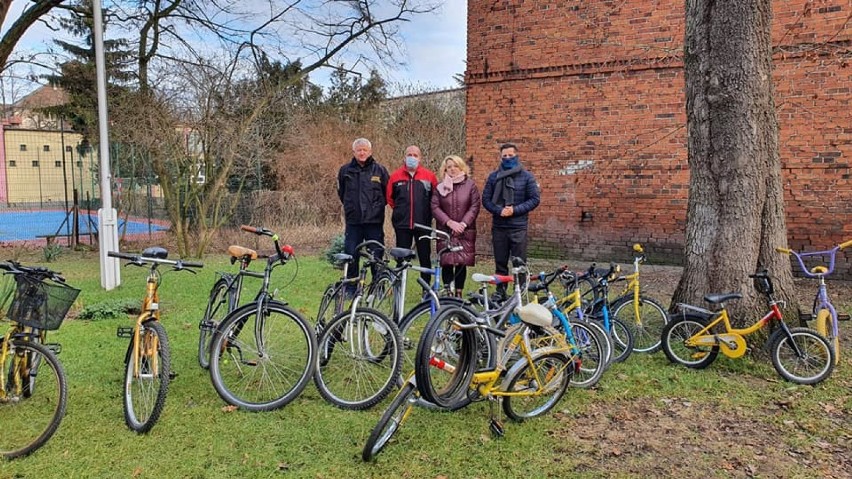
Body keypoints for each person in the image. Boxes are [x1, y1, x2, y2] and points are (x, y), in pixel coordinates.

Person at [481, 143, 540, 300]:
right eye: (504, 156)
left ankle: (520, 291)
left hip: (518, 227)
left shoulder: (527, 177)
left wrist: (514, 210)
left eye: (510, 155)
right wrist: (499, 210)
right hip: (499, 226)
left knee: (519, 263)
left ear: (517, 155)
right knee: (500, 262)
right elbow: (486, 200)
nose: (507, 158)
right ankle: (500, 291)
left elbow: (534, 199)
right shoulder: (493, 177)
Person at [337, 138, 389, 285]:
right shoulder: (345, 171)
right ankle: (351, 287)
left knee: (376, 255)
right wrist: (351, 208)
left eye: (364, 150)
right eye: (359, 150)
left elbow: (387, 194)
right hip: (353, 222)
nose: (362, 152)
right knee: (351, 254)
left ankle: (378, 286)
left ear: (370, 151)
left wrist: (376, 208)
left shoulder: (380, 170)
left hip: (374, 222)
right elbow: (342, 193)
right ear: (354, 152)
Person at [387, 145, 438, 285]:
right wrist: (400, 212)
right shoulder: (395, 176)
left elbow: (435, 199)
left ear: (420, 158)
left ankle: (425, 288)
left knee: (424, 257)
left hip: (423, 224)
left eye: (415, 155)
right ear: (404, 157)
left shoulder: (430, 176)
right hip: (402, 224)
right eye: (409, 154)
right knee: (401, 257)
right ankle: (398, 286)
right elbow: (390, 199)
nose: (412, 157)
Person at [431, 155, 480, 297]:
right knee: (446, 260)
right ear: (445, 169)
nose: (452, 169)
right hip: (445, 230)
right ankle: (448, 290)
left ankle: (459, 291)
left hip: (465, 230)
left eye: (455, 166)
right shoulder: (440, 187)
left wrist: (463, 223)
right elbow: (435, 207)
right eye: (449, 167)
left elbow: (475, 206)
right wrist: (449, 222)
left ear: (461, 167)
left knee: (461, 261)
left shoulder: (470, 185)